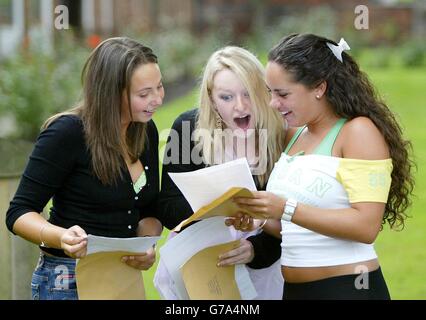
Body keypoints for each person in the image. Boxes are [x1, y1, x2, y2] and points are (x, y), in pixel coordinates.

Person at [233, 34, 415, 300]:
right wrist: (261, 217)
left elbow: (366, 226)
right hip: (295, 291)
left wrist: (284, 208)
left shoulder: (358, 132)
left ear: (319, 87)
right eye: (270, 92)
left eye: (283, 94)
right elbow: (300, 229)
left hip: (347, 289)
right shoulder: (294, 135)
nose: (273, 103)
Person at [5, 37, 164, 300]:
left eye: (159, 87)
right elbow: (19, 213)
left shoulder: (145, 131)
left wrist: (145, 244)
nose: (157, 99)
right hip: (67, 280)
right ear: (111, 93)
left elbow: (147, 209)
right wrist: (61, 237)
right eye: (144, 94)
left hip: (122, 278)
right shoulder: (67, 133)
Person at [154, 46, 285, 300]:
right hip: (202, 262)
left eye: (248, 94)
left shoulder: (281, 132)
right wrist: (217, 207)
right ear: (211, 98)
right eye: (226, 97)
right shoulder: (187, 128)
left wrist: (257, 250)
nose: (240, 106)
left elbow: (293, 217)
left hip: (263, 269)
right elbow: (168, 208)